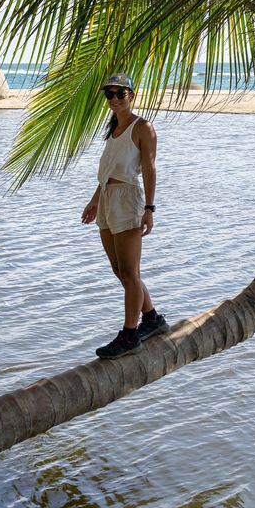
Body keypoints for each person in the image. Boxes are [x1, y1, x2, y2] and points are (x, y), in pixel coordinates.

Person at [81, 72, 169, 359]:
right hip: (108, 200)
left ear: (132, 95)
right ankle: (152, 318)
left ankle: (130, 335)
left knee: (130, 273)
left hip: (128, 200)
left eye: (121, 93)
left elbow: (150, 169)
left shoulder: (142, 127)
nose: (115, 98)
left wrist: (149, 209)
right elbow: (108, 172)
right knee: (120, 270)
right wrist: (95, 201)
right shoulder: (113, 129)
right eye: (110, 94)